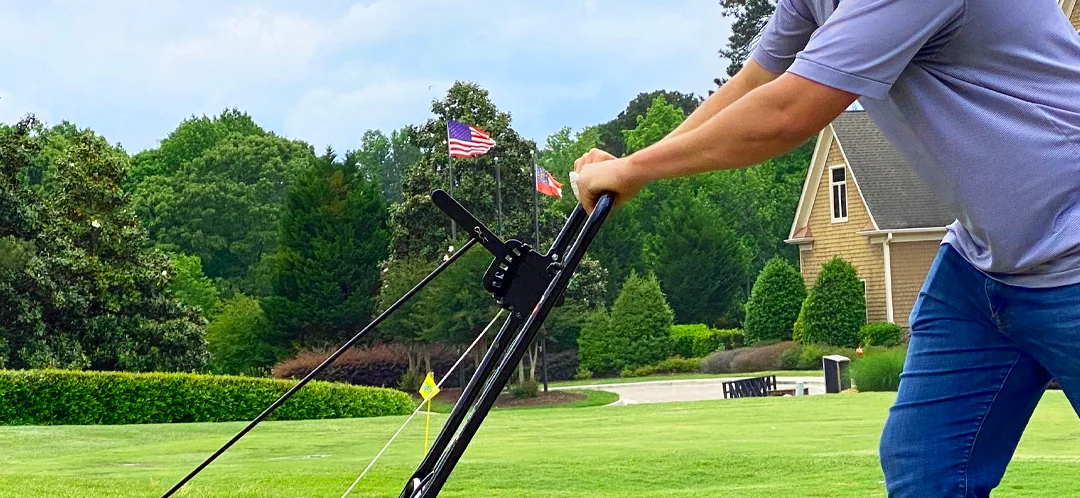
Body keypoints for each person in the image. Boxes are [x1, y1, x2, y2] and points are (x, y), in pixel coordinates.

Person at [572, 1, 1080, 496]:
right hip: (979, 269)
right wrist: (632, 169)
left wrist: (633, 169)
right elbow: (755, 83)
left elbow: (789, 110)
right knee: (926, 471)